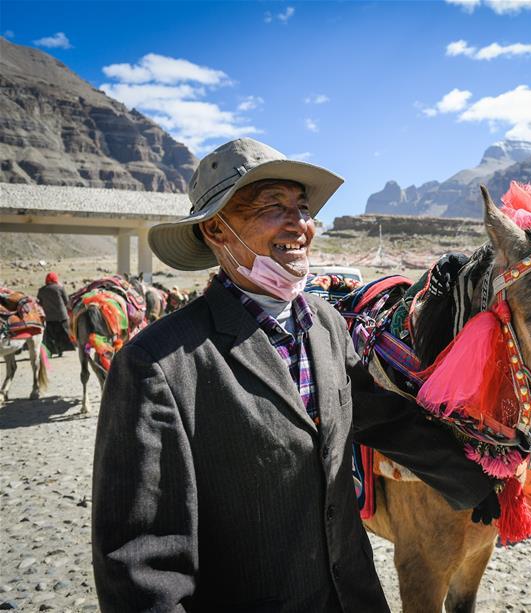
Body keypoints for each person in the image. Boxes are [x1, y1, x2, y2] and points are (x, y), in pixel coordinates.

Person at [92, 138, 498, 611]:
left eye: (302, 209)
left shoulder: (326, 324)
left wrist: (470, 481)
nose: (299, 224)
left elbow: (380, 416)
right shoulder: (159, 365)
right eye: (272, 206)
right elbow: (143, 564)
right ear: (216, 230)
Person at [36, 271, 72, 357]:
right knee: (61, 333)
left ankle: (51, 351)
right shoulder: (60, 288)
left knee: (50, 335)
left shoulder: (41, 290)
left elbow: (39, 303)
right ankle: (60, 350)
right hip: (61, 316)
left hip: (48, 317)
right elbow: (66, 301)